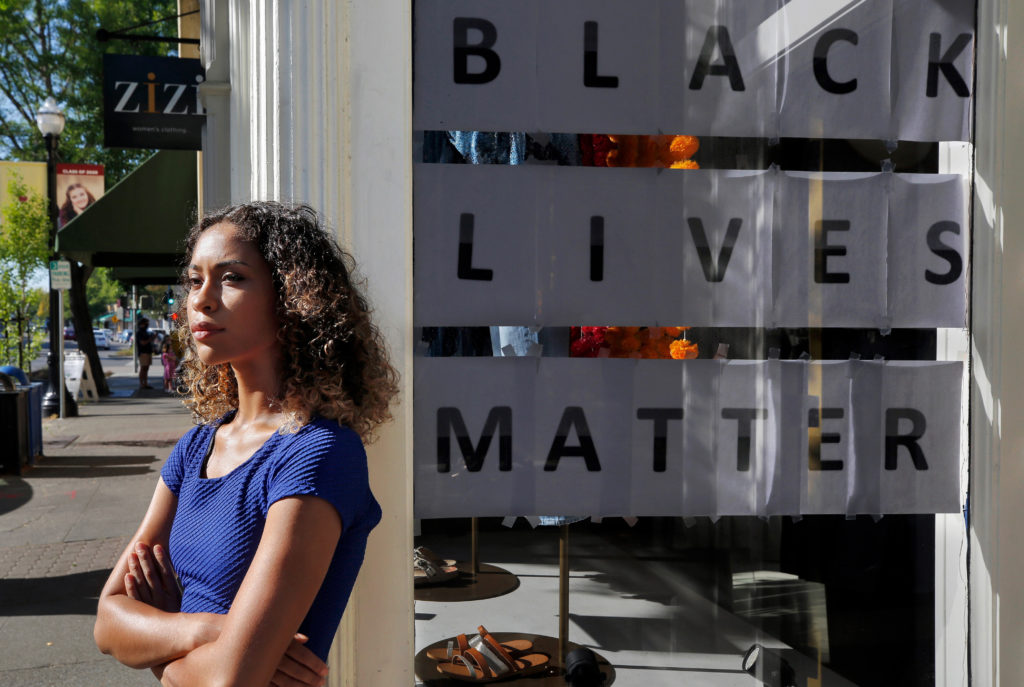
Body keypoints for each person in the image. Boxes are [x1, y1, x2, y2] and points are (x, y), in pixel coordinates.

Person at [94, 202, 399, 685]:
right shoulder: (196, 448)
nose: (202, 300)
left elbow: (229, 681)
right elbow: (108, 622)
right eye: (195, 280)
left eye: (231, 277)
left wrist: (157, 648)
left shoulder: (319, 454)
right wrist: (208, 631)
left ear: (294, 297)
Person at [136, 318, 155, 390]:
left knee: (146, 368)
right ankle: (142, 384)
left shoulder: (145, 331)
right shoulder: (140, 332)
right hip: (143, 353)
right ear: (142, 324)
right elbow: (142, 343)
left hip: (148, 352)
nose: (147, 324)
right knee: (143, 368)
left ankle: (145, 383)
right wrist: (150, 339)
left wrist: (152, 338)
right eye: (146, 323)